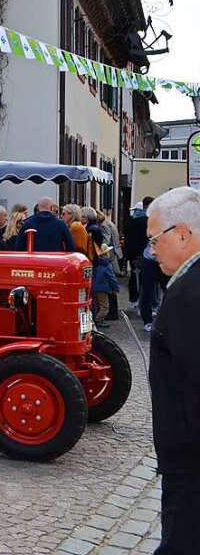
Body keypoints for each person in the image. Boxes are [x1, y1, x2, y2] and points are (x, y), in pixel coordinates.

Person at [144, 187, 200, 554]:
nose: (151, 251)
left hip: (190, 459)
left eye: (154, 240)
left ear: (182, 233)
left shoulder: (189, 295)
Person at [83, 207, 118, 329]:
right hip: (103, 287)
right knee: (103, 305)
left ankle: (92, 321)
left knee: (93, 303)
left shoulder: (91, 229)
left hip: (94, 284)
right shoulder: (105, 265)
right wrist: (116, 287)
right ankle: (98, 321)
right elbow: (111, 277)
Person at [125, 199, 152, 313]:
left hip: (132, 255)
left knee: (134, 278)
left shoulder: (130, 222)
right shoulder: (147, 222)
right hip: (143, 254)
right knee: (143, 280)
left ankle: (133, 301)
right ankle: (141, 303)